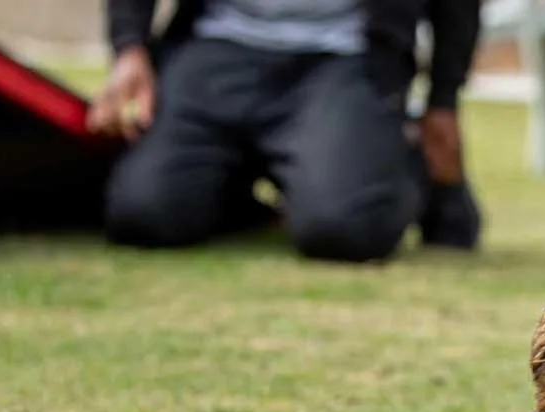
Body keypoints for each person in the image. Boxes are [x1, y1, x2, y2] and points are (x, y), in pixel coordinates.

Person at [87, 0, 483, 262]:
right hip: (217, 43)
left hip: (344, 53)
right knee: (142, 214)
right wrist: (129, 48)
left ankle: (399, 154)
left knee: (345, 230)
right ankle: (236, 182)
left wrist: (443, 100)